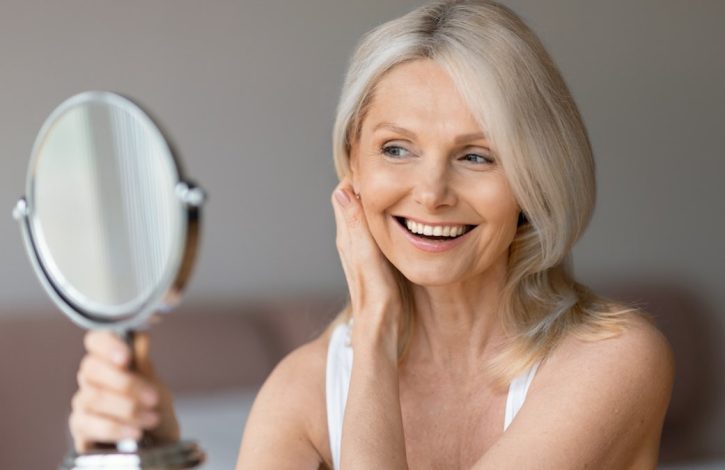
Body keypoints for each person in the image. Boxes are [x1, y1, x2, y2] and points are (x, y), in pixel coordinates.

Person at [69, 1, 675, 468]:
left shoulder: (612, 360)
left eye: (477, 156)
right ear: (351, 164)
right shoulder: (303, 390)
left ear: (532, 179)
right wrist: (159, 452)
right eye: (396, 148)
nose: (432, 191)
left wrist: (377, 325)